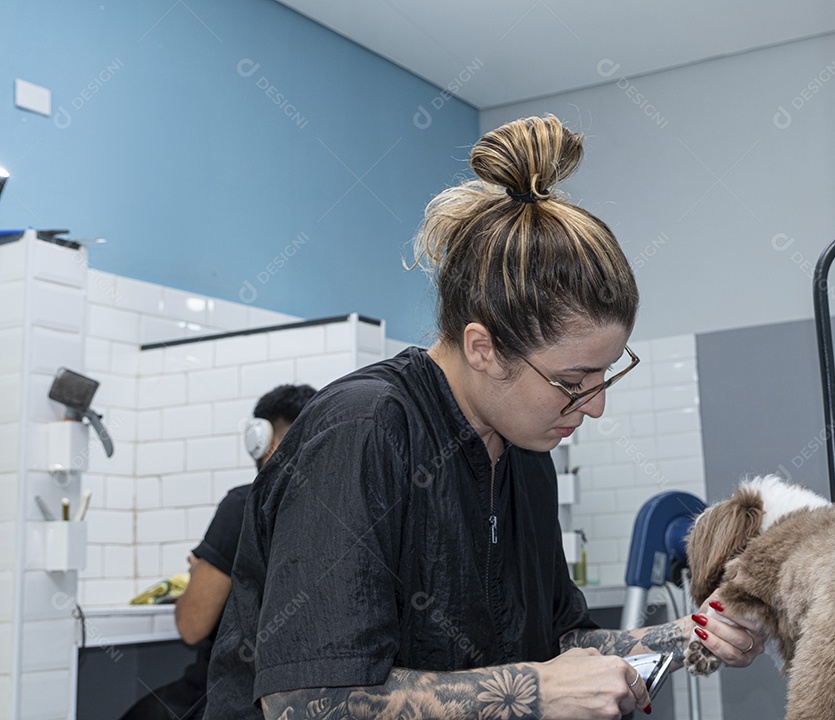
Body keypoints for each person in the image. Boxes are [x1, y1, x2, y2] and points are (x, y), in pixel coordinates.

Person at [205, 115, 763, 720]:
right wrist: (538, 694)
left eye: (606, 376)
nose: (595, 405)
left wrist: (689, 636)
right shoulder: (363, 433)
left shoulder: (525, 453)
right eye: (572, 383)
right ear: (483, 348)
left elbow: (559, 648)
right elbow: (309, 702)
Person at [119, 384, 316, 720]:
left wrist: (200, 573)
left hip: (227, 698)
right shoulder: (335, 509)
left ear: (260, 439)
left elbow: (192, 625)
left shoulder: (244, 506)